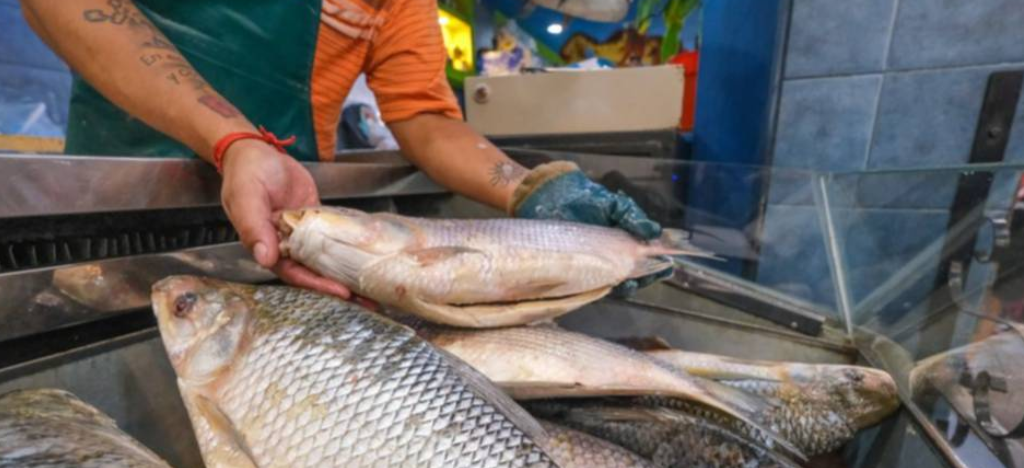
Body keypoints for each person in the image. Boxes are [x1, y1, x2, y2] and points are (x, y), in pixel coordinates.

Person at [21, 0, 666, 297]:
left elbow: (421, 115)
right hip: (113, 219)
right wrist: (235, 141)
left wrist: (530, 187)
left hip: (283, 232)